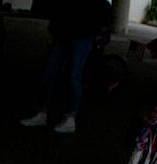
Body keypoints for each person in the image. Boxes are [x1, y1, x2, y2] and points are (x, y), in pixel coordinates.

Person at [20, 0, 112, 134]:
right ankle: (44, 113)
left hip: (82, 32)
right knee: (51, 73)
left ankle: (70, 117)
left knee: (73, 75)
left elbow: (102, 7)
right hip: (65, 31)